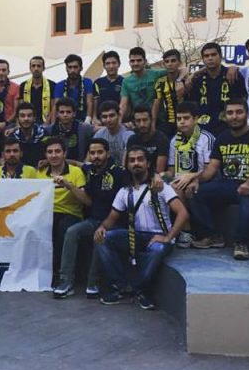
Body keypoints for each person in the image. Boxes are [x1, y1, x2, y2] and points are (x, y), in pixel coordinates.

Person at [94, 145, 187, 310]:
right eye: (132, 160)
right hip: (135, 236)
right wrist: (101, 228)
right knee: (103, 239)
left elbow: (183, 213)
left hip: (159, 236)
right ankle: (121, 287)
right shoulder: (124, 191)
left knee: (158, 249)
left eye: (140, 159)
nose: (136, 163)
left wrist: (168, 237)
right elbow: (111, 218)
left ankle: (141, 291)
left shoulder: (160, 187)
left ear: (148, 163)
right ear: (127, 165)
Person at [188, 99, 249, 260]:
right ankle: (212, 236)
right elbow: (212, 168)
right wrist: (197, 179)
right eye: (230, 113)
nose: (234, 116)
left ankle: (241, 243)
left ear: (247, 114)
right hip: (228, 184)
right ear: (225, 116)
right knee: (196, 192)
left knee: (248, 199)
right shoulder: (222, 138)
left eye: (239, 112)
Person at [53, 138, 128, 299]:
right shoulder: (90, 170)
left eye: (100, 152)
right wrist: (49, 163)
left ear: (108, 153)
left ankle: (93, 282)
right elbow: (78, 164)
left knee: (99, 237)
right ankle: (66, 281)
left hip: (114, 223)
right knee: (72, 232)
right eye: (92, 153)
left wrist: (105, 226)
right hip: (93, 220)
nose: (96, 156)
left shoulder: (119, 172)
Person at [36, 137, 87, 285]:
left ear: (65, 153)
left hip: (70, 213)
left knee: (61, 228)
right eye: (50, 152)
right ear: (45, 155)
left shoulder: (76, 172)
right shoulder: (40, 172)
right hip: (46, 214)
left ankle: (62, 275)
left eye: (57, 151)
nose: (53, 155)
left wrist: (69, 185)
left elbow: (85, 199)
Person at [165, 101, 216, 248]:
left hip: (204, 178)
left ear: (195, 119)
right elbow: (172, 170)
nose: (182, 122)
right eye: (179, 119)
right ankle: (186, 230)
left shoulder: (206, 138)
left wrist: (193, 178)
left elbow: (210, 170)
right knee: (169, 186)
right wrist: (162, 176)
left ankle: (199, 233)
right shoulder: (174, 141)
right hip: (181, 179)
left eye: (186, 118)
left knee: (186, 188)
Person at [186, 42, 246, 135]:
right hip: (203, 127)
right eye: (206, 56)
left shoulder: (233, 75)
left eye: (213, 55)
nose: (210, 58)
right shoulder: (197, 79)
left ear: (221, 56)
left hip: (229, 125)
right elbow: (193, 104)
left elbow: (243, 100)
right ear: (203, 59)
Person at [119, 46, 167, 125]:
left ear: (145, 61)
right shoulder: (126, 81)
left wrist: (180, 80)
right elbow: (123, 104)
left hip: (159, 120)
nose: (135, 63)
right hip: (139, 121)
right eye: (132, 61)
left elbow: (180, 69)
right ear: (129, 63)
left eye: (139, 60)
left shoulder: (156, 74)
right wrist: (118, 121)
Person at [152, 49, 186, 138]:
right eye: (167, 62)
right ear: (164, 64)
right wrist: (152, 124)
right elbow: (156, 104)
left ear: (179, 63)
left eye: (173, 61)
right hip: (169, 122)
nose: (170, 64)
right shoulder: (160, 82)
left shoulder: (187, 79)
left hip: (187, 121)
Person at [125, 107, 170, 174]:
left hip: (156, 177)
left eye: (145, 120)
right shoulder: (132, 140)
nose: (142, 124)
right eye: (138, 121)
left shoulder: (161, 139)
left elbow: (159, 170)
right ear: (134, 122)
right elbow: (127, 165)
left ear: (151, 120)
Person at [53, 54, 94, 123]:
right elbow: (56, 106)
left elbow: (89, 102)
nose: (72, 70)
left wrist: (88, 120)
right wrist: (53, 124)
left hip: (82, 120)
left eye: (75, 67)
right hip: (64, 120)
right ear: (66, 69)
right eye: (70, 67)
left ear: (81, 68)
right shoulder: (59, 85)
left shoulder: (87, 82)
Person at [48, 97, 90, 162]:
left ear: (74, 114)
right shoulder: (49, 130)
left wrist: (86, 162)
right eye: (62, 112)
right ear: (57, 114)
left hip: (78, 166)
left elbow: (101, 130)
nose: (65, 115)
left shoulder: (84, 128)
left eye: (68, 112)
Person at [93, 100, 134, 166]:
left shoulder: (128, 134)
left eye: (111, 116)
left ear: (119, 115)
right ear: (100, 119)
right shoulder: (99, 135)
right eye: (105, 117)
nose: (108, 120)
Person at [8, 102, 48, 168]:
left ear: (34, 118)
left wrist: (47, 161)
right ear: (17, 119)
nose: (26, 119)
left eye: (29, 116)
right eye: (22, 116)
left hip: (41, 170)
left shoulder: (44, 134)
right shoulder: (13, 137)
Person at [18, 55, 56, 124]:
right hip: (27, 121)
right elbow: (21, 107)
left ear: (43, 68)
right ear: (30, 68)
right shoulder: (23, 85)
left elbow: (54, 107)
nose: (36, 68)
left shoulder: (52, 85)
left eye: (39, 66)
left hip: (45, 122)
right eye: (33, 66)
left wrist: (48, 123)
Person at [93, 50, 124, 121]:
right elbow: (95, 102)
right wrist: (94, 118)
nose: (111, 66)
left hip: (118, 121)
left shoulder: (124, 82)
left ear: (119, 64)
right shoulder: (97, 83)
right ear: (104, 66)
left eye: (114, 63)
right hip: (101, 121)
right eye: (108, 63)